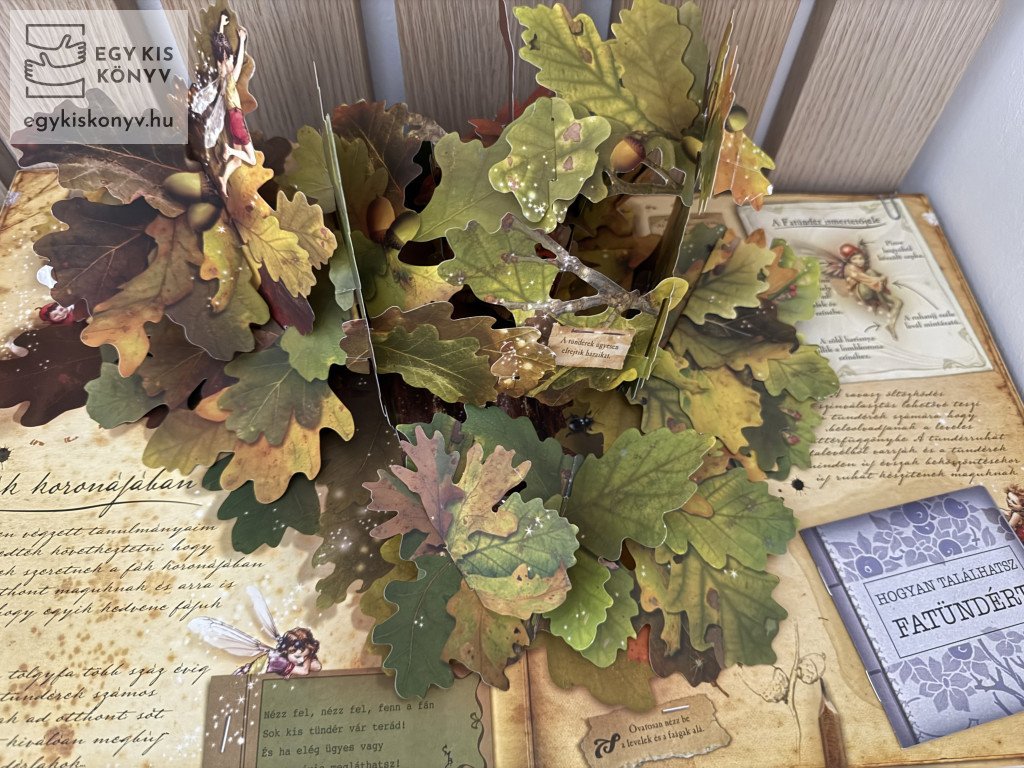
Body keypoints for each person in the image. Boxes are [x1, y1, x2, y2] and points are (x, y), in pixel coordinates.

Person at [211, 11, 256, 195]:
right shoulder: (230, 78)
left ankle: (223, 179)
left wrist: (222, 25)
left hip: (232, 119)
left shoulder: (222, 76)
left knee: (237, 161)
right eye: (229, 57)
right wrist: (242, 40)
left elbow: (219, 48)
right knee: (251, 159)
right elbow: (239, 61)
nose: (231, 58)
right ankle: (229, 150)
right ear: (227, 61)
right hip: (237, 118)